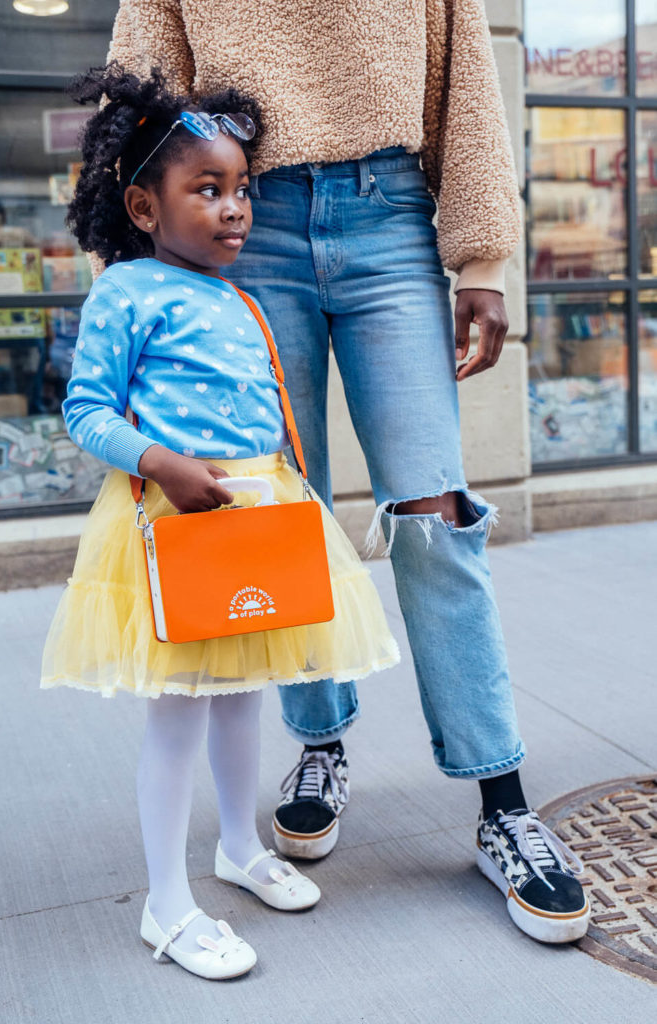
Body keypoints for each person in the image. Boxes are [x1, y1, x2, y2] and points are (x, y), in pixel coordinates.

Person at [103, 0, 591, 945]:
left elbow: (463, 85)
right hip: (240, 215)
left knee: (434, 510)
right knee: (276, 514)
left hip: (390, 217)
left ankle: (502, 803)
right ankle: (319, 742)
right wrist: (141, 280)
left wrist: (482, 257)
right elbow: (141, 99)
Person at [40, 64, 400, 981]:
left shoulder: (240, 298)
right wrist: (159, 462)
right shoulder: (128, 291)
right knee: (178, 717)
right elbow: (86, 410)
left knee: (245, 697)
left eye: (240, 189)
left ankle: (238, 847)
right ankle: (166, 904)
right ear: (145, 207)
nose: (235, 208)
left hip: (253, 515)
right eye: (208, 190)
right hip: (174, 518)